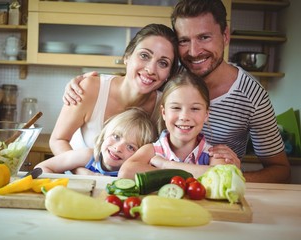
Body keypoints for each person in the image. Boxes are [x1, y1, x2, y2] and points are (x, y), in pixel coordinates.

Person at [62, 0, 290, 183]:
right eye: (184, 40)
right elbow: (137, 75)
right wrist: (84, 82)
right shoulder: (171, 81)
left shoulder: (252, 95)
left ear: (226, 36)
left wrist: (230, 178)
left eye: (204, 37)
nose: (194, 51)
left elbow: (280, 170)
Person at [49, 24, 179, 163]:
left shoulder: (164, 109)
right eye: (144, 55)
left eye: (163, 63)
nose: (151, 69)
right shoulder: (90, 88)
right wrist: (82, 172)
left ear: (169, 74)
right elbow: (58, 140)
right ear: (127, 56)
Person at [118, 72, 239, 179]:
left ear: (206, 114)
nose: (184, 116)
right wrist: (198, 173)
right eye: (176, 107)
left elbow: (224, 176)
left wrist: (167, 166)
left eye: (195, 108)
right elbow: (126, 172)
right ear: (164, 112)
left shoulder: (212, 153)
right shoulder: (152, 150)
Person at [36, 108, 157, 176]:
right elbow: (41, 168)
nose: (118, 148)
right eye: (116, 136)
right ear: (104, 133)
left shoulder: (132, 174)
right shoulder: (87, 157)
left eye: (131, 147)